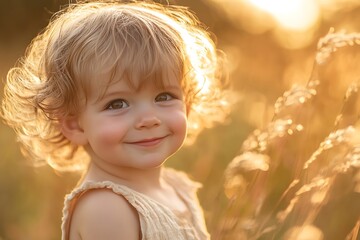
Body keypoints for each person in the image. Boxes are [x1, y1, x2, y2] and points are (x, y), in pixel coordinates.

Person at [1, 1, 230, 239]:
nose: (149, 119)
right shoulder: (106, 208)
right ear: (74, 125)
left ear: (187, 104)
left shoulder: (177, 188)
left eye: (164, 96)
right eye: (117, 104)